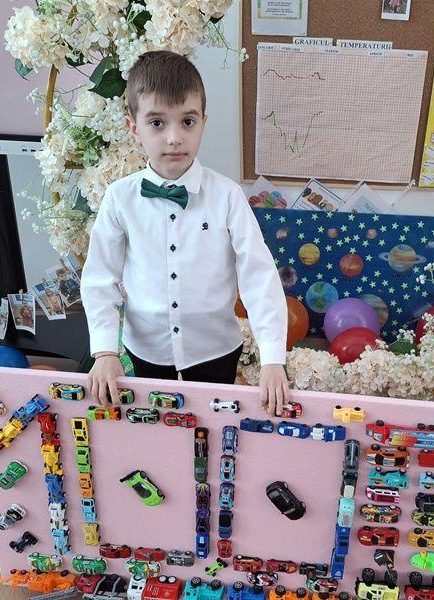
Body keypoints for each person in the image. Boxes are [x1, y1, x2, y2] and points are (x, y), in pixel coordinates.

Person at [82, 51, 290, 415]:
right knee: (155, 421)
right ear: (134, 127)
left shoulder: (227, 196)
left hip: (216, 347)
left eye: (188, 121)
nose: (175, 138)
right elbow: (100, 278)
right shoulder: (119, 198)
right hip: (147, 347)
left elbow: (258, 275)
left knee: (213, 422)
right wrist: (104, 351)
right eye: (157, 123)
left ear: (203, 123)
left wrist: (273, 358)